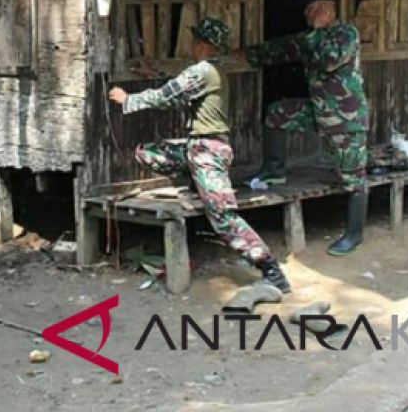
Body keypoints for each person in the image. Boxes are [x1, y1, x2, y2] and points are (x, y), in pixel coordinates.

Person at [107, 18, 291, 294]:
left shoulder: (203, 71)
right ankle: (195, 184)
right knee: (148, 153)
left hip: (208, 153)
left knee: (223, 217)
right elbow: (176, 90)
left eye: (194, 40)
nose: (191, 45)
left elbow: (165, 96)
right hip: (198, 149)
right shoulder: (210, 71)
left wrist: (128, 100)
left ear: (203, 44)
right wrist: (151, 72)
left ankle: (271, 271)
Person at [242, 0, 369, 256]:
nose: (306, 15)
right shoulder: (311, 37)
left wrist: (316, 32)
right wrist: (240, 54)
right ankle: (274, 169)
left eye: (311, 10)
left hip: (345, 118)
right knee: (278, 112)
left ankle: (354, 234)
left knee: (353, 179)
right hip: (317, 110)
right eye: (307, 11)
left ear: (327, 11)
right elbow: (277, 50)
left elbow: (329, 60)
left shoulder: (346, 34)